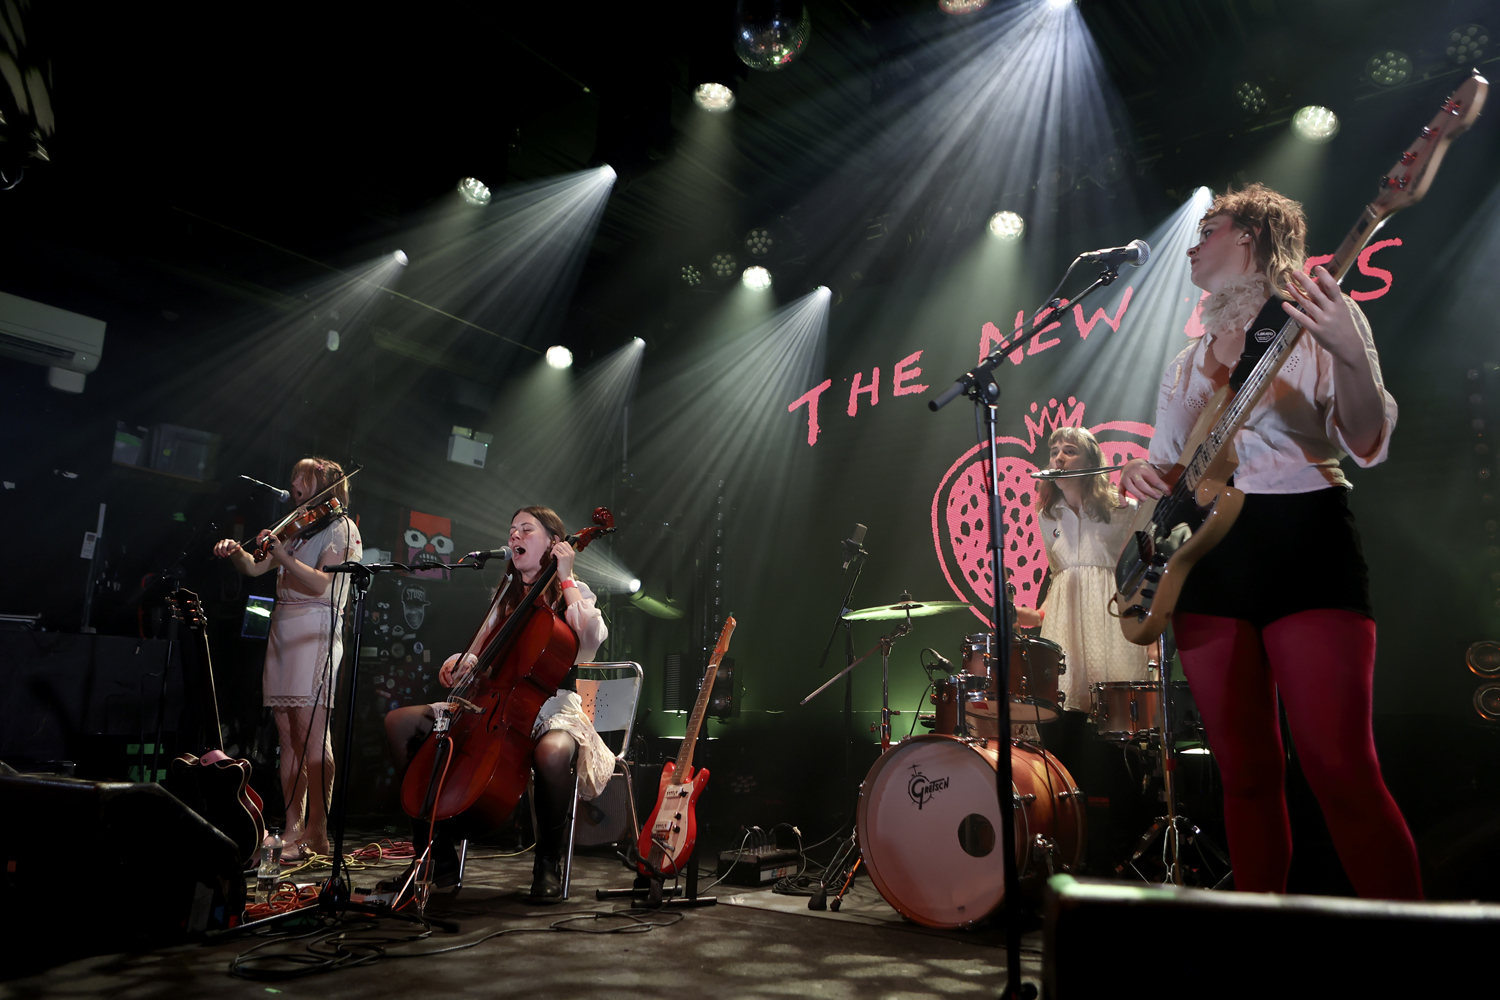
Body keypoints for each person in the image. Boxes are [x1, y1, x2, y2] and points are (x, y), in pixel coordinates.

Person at [1118, 183, 1422, 899]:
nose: (1192, 246)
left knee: (1340, 768)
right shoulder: (1185, 363)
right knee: (1245, 776)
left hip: (1302, 534)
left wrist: (1349, 352)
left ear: (1250, 236)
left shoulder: (1314, 316)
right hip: (1206, 560)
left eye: (1209, 230)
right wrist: (1142, 474)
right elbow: (1174, 469)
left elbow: (1367, 441)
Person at [381, 506, 610, 900]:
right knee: (399, 723)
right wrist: (461, 662)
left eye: (526, 530)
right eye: (512, 530)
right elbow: (481, 653)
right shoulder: (505, 596)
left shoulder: (573, 590)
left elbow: (590, 641)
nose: (514, 536)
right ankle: (434, 856)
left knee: (553, 753)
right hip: (494, 705)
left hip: (552, 705)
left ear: (554, 543)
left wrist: (567, 576)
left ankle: (547, 864)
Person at [213, 457, 362, 860]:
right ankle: (294, 827)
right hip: (283, 626)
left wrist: (282, 556)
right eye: (295, 475)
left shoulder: (341, 527)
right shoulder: (295, 527)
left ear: (323, 484)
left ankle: (318, 831)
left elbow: (321, 584)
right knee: (288, 736)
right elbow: (254, 567)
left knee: (312, 732)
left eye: (303, 476)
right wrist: (236, 552)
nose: (294, 482)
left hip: (315, 625)